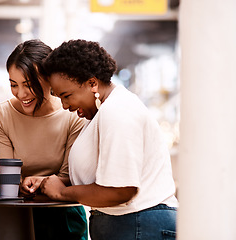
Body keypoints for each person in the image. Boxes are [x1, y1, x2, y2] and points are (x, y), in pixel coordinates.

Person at [40, 39, 178, 240]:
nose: (64, 105)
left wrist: (63, 193)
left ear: (92, 83)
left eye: (67, 95)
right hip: (133, 226)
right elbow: (104, 178)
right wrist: (55, 183)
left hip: (139, 225)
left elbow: (121, 189)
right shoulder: (103, 111)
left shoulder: (117, 110)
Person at [0, 39, 88, 240]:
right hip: (18, 215)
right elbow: (10, 180)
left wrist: (35, 184)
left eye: (29, 84)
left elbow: (69, 179)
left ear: (49, 78)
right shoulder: (1, 115)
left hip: (63, 216)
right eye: (14, 84)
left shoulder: (72, 115)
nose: (21, 94)